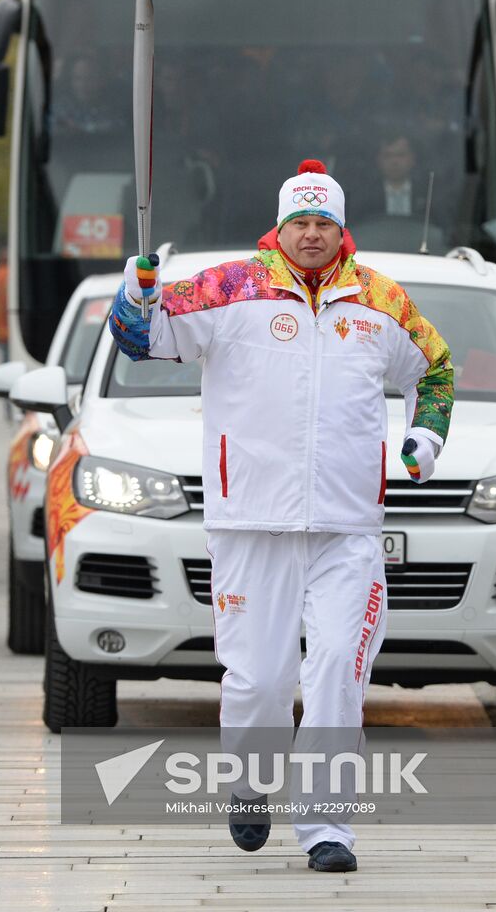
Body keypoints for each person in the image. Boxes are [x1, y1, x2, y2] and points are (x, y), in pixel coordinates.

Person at [109, 159, 454, 871]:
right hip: (249, 520)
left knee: (334, 673)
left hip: (348, 527)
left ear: (341, 227)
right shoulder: (228, 289)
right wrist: (137, 292)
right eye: (300, 221)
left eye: (324, 222)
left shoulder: (382, 302)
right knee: (260, 681)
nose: (311, 234)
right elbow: (140, 339)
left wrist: (425, 437)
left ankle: (328, 828)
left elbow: (437, 369)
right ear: (280, 225)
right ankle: (249, 780)